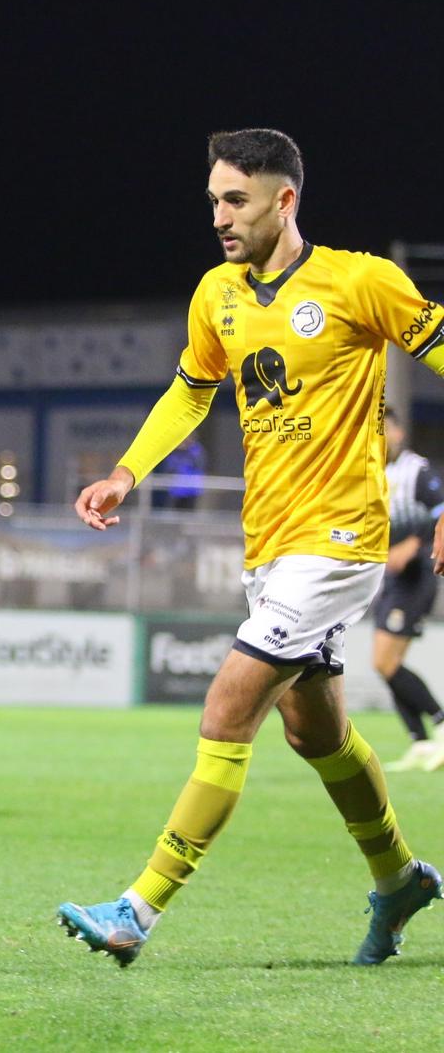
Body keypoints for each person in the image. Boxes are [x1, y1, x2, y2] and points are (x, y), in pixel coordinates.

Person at [59, 129, 442, 967]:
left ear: (285, 200)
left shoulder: (360, 281)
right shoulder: (216, 295)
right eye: (213, 201)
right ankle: (399, 877)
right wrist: (127, 472)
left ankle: (138, 909)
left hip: (340, 542)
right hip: (270, 546)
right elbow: (189, 393)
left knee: (229, 705)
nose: (220, 217)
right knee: (317, 735)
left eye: (235, 200)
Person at [373, 415, 444, 771]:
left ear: (399, 431)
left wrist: (415, 545)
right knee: (385, 665)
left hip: (416, 576)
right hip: (389, 579)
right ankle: (419, 741)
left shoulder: (415, 471)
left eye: (389, 428)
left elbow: (440, 511)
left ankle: (440, 720)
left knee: (386, 662)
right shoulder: (368, 470)